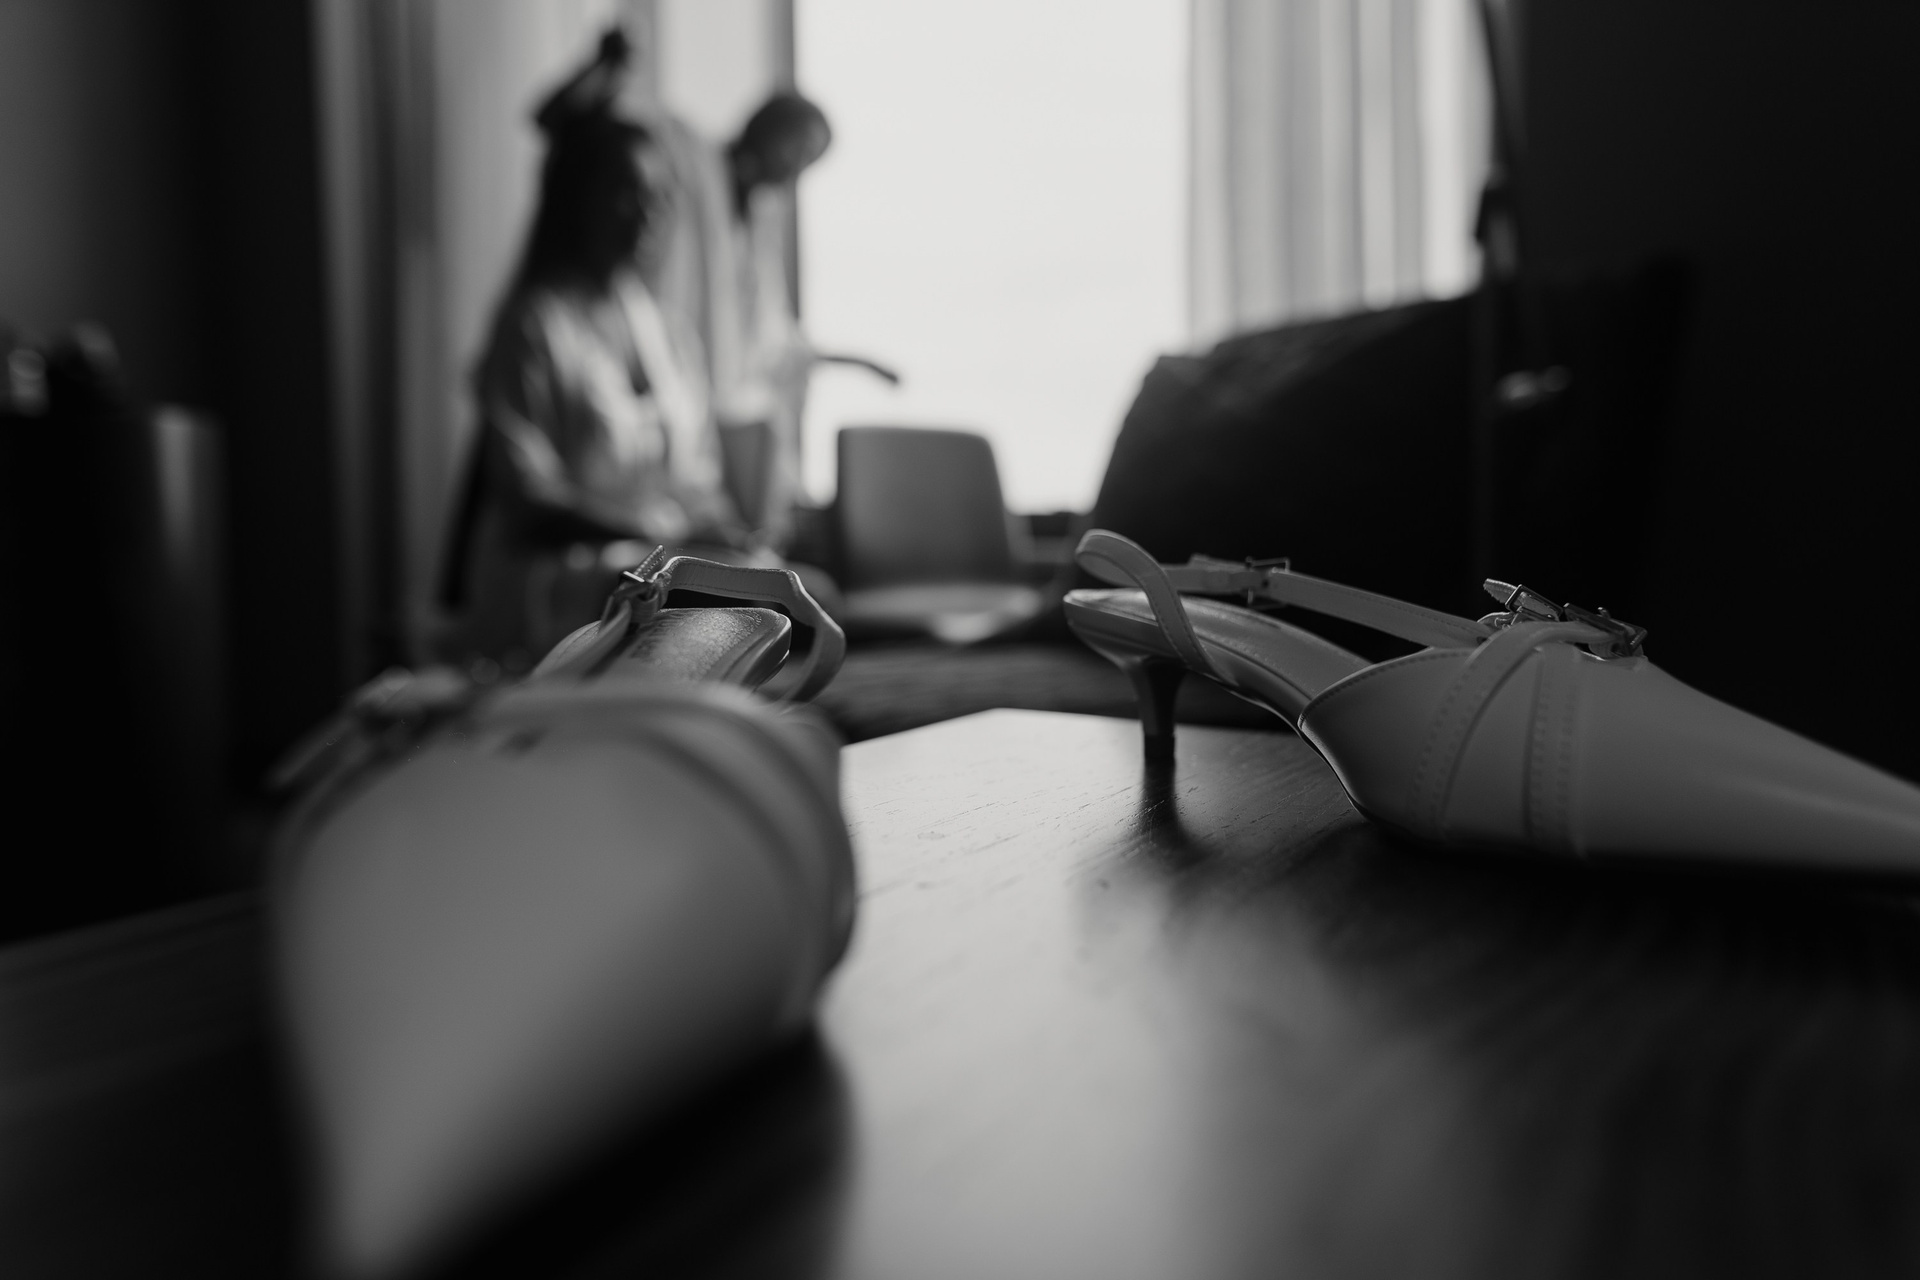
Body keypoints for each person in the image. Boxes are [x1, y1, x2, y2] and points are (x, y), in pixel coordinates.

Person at [442, 38, 757, 669]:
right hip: (562, 581)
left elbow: (699, 484)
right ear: (576, 199)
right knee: (724, 611)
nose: (645, 213)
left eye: (659, 195)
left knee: (788, 589)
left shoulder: (669, 333)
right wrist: (659, 531)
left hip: (654, 563)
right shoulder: (535, 326)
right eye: (623, 191)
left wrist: (728, 533)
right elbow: (529, 501)